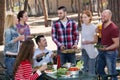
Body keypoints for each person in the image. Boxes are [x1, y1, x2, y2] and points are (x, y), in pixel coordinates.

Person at [97, 9, 119, 80]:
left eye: (104, 16)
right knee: (99, 70)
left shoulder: (114, 28)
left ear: (110, 16)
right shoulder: (103, 24)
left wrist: (106, 48)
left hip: (110, 53)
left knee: (112, 73)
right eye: (102, 15)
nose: (102, 17)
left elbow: (117, 44)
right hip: (102, 51)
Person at [4, 12, 24, 78]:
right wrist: (18, 38)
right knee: (12, 76)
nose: (18, 19)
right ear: (12, 20)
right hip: (10, 59)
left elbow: (16, 43)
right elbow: (7, 44)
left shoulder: (15, 30)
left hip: (15, 57)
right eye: (16, 18)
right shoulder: (8, 31)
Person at [80, 10, 98, 75]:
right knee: (83, 70)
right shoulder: (83, 25)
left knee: (91, 72)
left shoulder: (94, 27)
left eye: (85, 17)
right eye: (82, 17)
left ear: (90, 17)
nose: (83, 19)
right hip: (84, 50)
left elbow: (96, 40)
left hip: (91, 51)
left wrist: (89, 42)